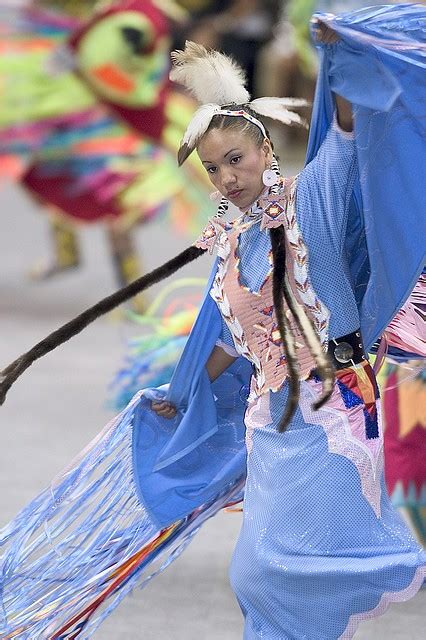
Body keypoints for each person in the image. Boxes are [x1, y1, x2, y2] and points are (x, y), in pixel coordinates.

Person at [0, 4, 425, 639]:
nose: (228, 177)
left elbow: (347, 138)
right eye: (214, 169)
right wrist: (185, 393)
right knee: (265, 579)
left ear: (264, 147)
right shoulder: (235, 241)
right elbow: (234, 338)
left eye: (236, 159)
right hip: (273, 423)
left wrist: (344, 54)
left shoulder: (314, 200)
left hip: (327, 414)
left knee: (269, 574)